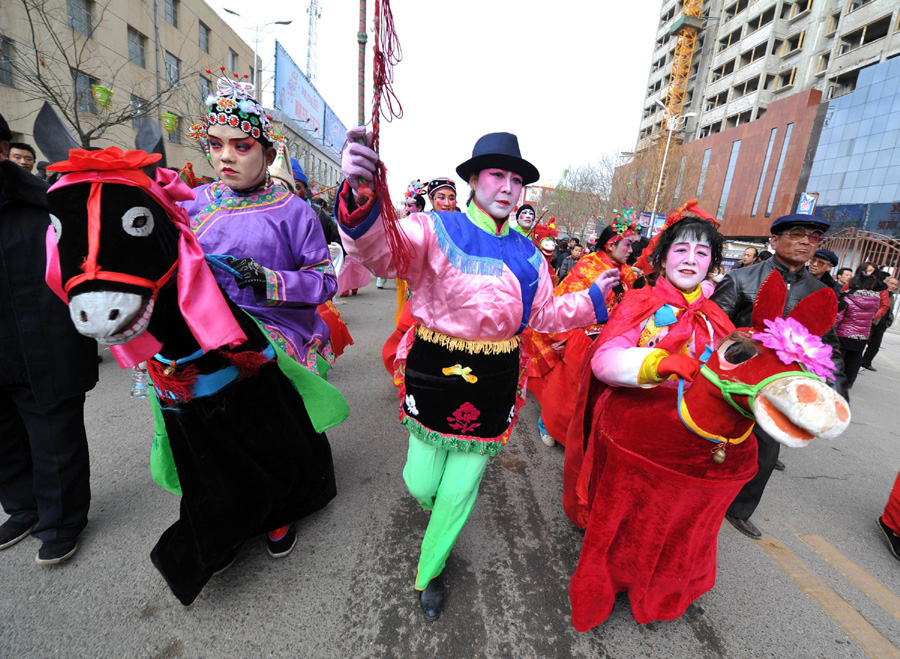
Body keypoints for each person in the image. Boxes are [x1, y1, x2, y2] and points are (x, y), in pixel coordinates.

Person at [338, 128, 620, 621]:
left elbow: (546, 316)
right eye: (497, 175)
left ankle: (431, 567)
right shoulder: (433, 227)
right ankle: (438, 517)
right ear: (473, 179)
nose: (508, 187)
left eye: (517, 179)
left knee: (459, 486)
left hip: (494, 380)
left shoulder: (531, 254)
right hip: (432, 371)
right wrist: (362, 195)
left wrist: (594, 298)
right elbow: (383, 254)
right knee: (420, 481)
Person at [183, 75, 340, 555]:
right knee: (211, 428)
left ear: (269, 154)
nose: (225, 156)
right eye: (215, 145)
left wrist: (270, 280)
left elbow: (325, 280)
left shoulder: (294, 212)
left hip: (274, 330)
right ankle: (228, 509)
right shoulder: (195, 204)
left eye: (241, 145)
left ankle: (280, 509)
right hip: (209, 329)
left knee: (268, 428)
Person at [565, 213, 743, 629]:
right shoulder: (641, 302)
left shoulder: (716, 316)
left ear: (712, 263)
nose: (690, 259)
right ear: (663, 259)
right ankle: (612, 575)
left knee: (676, 517)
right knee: (630, 514)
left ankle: (664, 577)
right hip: (635, 427)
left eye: (701, 252)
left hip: (690, 435)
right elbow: (605, 361)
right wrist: (657, 363)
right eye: (680, 249)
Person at [0, 112, 99, 564]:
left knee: (53, 434)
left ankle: (61, 521)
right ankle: (23, 507)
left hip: (46, 340)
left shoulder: (50, 205)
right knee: (4, 436)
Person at [711, 213, 847, 540]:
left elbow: (829, 347)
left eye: (813, 238)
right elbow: (712, 328)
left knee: (766, 454)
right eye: (797, 234)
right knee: (713, 444)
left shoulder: (819, 291)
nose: (805, 241)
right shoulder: (742, 279)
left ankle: (739, 509)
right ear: (774, 240)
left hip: (778, 389)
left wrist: (838, 392)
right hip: (733, 381)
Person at [834, 266, 884, 388]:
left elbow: (838, 318)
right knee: (854, 360)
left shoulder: (847, 297)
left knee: (838, 361)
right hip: (862, 335)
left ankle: (833, 383)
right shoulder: (875, 300)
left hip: (843, 335)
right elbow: (872, 316)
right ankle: (848, 382)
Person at [862, 276, 897, 372]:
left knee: (875, 346)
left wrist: (888, 322)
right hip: (873, 321)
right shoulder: (879, 293)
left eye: (895, 285)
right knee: (863, 342)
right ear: (886, 283)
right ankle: (856, 363)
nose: (893, 286)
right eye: (891, 283)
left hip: (882, 325)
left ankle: (866, 362)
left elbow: (889, 311)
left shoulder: (892, 297)